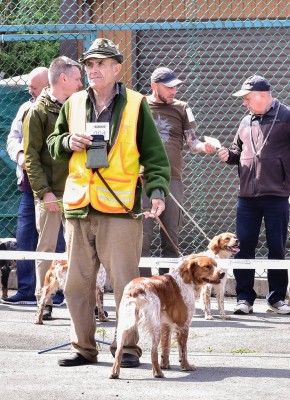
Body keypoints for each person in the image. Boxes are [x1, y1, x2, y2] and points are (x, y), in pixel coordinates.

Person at [47, 38, 170, 368]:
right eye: (89, 64)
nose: (93, 69)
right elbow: (53, 143)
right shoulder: (72, 103)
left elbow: (155, 156)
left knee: (126, 285)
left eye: (101, 63)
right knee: (76, 285)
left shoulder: (135, 103)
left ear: (118, 68)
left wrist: (156, 192)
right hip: (79, 205)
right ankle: (84, 348)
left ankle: (127, 349)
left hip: (119, 206)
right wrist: (67, 141)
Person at [218, 75, 290, 315]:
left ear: (262, 96)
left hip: (277, 194)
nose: (244, 103)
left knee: (277, 248)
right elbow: (238, 152)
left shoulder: (286, 117)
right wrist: (229, 155)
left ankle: (276, 298)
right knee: (243, 246)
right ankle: (244, 298)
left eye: (247, 98)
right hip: (247, 196)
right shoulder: (245, 121)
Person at [23, 56, 83, 319]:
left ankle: (79, 299)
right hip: (50, 192)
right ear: (63, 79)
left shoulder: (78, 107)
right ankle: (43, 300)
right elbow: (31, 157)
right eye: (78, 78)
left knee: (79, 247)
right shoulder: (37, 112)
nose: (82, 82)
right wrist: (43, 192)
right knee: (46, 247)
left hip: (77, 188)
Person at [141, 67, 216, 276]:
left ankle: (169, 285)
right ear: (154, 86)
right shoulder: (139, 106)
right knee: (142, 236)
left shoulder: (181, 107)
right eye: (169, 87)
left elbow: (192, 143)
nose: (174, 91)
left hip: (172, 178)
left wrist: (204, 147)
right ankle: (145, 285)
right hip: (143, 179)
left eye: (176, 87)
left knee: (171, 237)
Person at [3, 67, 48, 305]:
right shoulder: (25, 108)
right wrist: (19, 154)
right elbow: (12, 137)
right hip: (28, 187)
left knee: (57, 239)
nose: (29, 90)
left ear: (49, 85)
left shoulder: (63, 107)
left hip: (54, 188)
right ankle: (26, 289)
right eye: (29, 86)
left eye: (34, 86)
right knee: (25, 236)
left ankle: (56, 292)